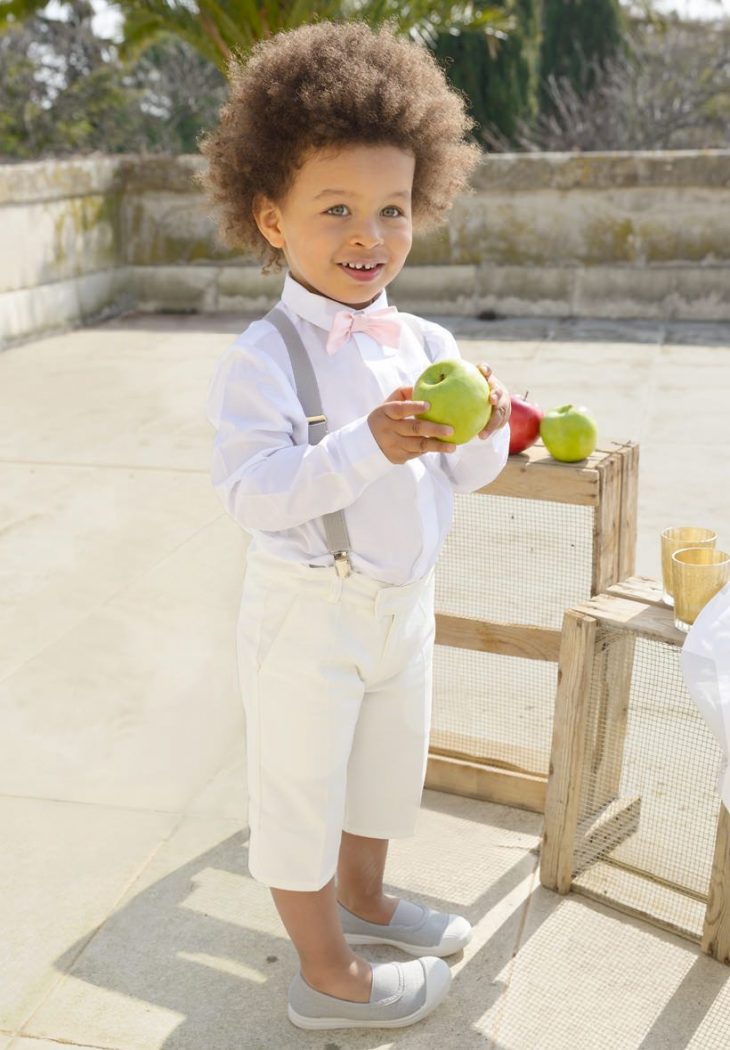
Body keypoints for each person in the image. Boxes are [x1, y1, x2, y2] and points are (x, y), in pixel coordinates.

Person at [201, 18, 512, 1031]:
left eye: (390, 208)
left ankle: (367, 896)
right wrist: (367, 446)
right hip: (308, 612)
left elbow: (463, 473)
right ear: (271, 219)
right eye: (335, 209)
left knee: (387, 766)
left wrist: (488, 425)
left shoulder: (420, 337)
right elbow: (255, 492)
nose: (367, 236)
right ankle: (324, 972)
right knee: (297, 787)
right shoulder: (264, 356)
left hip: (402, 606)